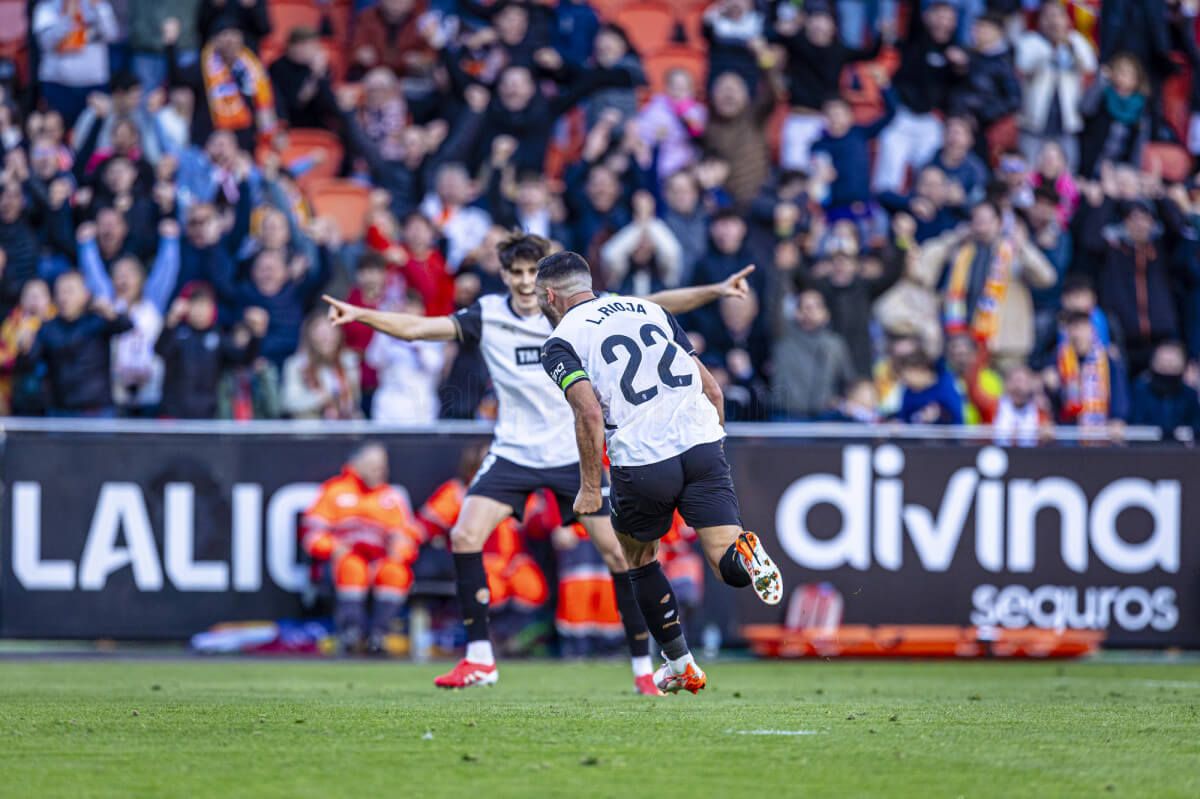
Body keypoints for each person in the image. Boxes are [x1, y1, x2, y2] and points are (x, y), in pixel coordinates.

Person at [324, 233, 754, 694]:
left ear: (546, 283)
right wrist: (362, 314)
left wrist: (715, 290)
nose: (525, 281)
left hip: (572, 451)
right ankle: (480, 659)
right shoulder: (488, 315)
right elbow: (418, 328)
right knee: (465, 534)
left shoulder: (581, 316)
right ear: (505, 275)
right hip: (515, 450)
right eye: (516, 273)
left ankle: (641, 670)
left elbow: (660, 302)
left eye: (532, 272)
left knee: (619, 554)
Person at [535, 250, 783, 695]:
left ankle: (681, 664)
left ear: (550, 296)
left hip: (643, 459)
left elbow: (588, 413)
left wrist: (590, 488)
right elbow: (712, 388)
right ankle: (747, 552)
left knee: (639, 559)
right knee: (726, 563)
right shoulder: (649, 310)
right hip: (702, 445)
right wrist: (712, 442)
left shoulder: (560, 341)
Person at [302, 443, 425, 653]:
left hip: (380, 558)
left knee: (395, 572)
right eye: (373, 465)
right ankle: (351, 633)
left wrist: (399, 550)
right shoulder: (334, 491)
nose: (380, 470)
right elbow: (312, 536)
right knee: (352, 568)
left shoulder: (392, 496)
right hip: (345, 558)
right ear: (356, 465)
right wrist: (334, 547)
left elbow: (408, 537)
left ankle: (380, 635)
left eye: (382, 465)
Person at [18, 271, 132, 416]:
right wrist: (25, 347)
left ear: (85, 294)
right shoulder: (48, 328)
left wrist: (109, 311)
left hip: (97, 410)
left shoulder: (97, 321)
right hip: (60, 410)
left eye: (70, 291)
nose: (64, 297)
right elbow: (29, 363)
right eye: (60, 292)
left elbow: (127, 326)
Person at [1128, 340, 1200, 440]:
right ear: (1153, 363)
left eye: (1172, 362)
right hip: (1146, 446)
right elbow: (1134, 423)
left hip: (1182, 447)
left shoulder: (1190, 394)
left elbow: (1196, 425)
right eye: (1163, 362)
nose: (1168, 365)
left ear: (1183, 365)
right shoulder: (1140, 392)